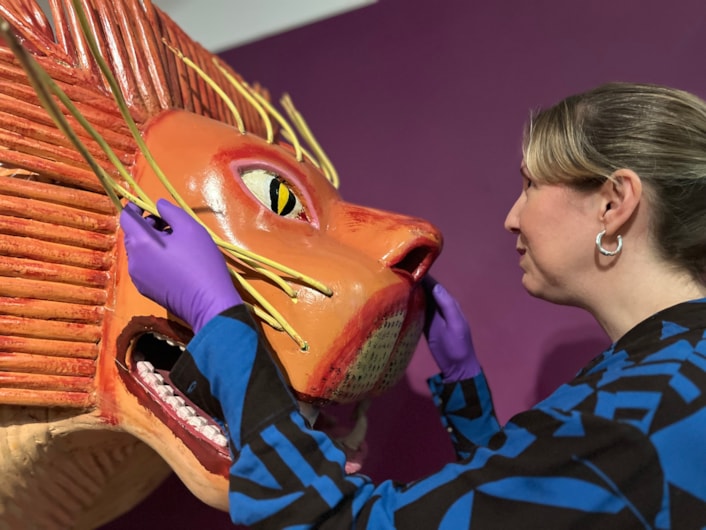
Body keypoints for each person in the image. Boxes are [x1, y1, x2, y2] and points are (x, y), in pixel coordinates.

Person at [120, 82, 706, 528]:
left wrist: (220, 320)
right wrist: (465, 391)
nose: (512, 217)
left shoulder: (653, 407)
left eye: (530, 184)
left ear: (614, 204)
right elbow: (551, 507)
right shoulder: (667, 377)